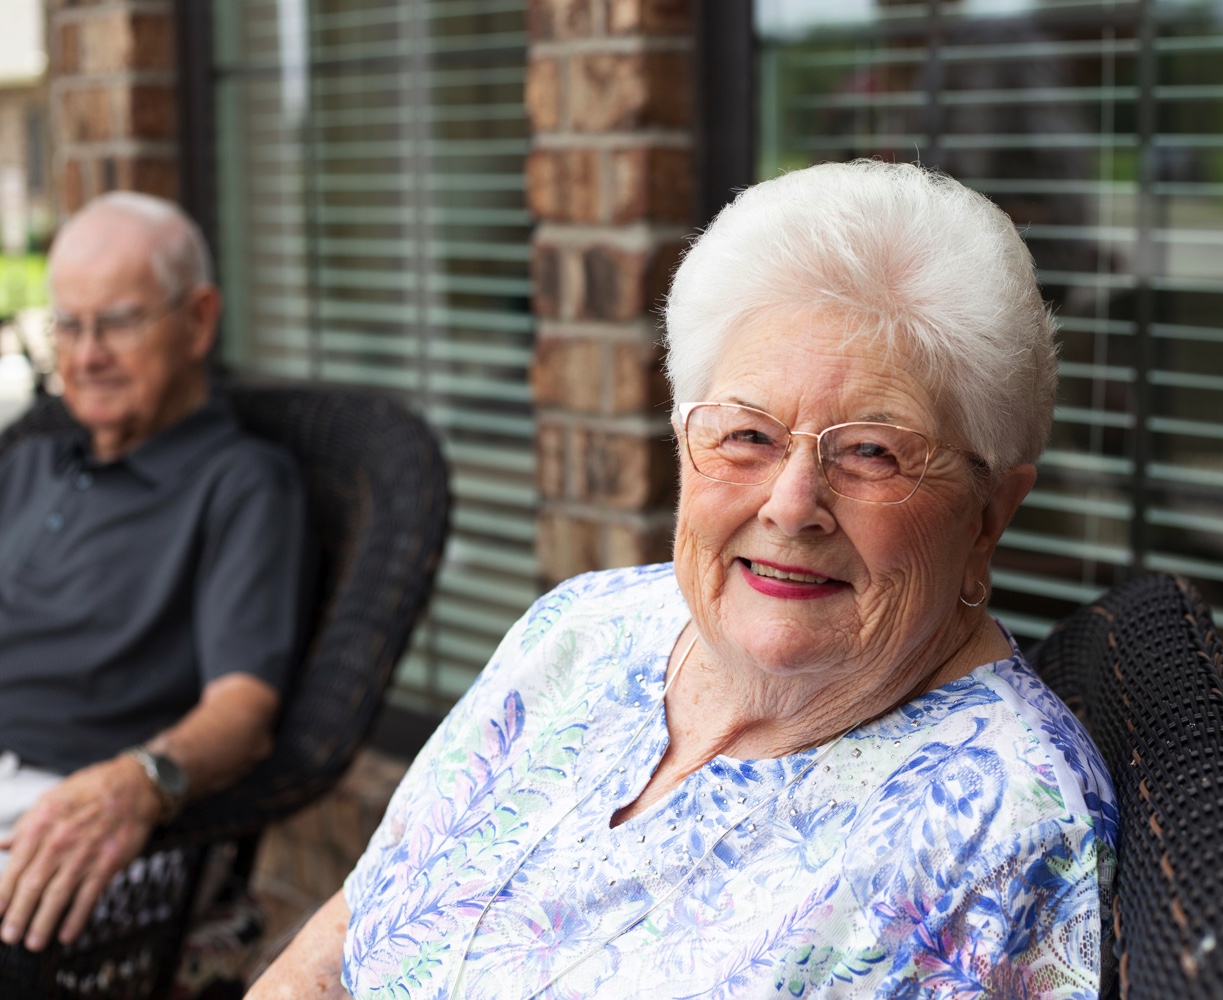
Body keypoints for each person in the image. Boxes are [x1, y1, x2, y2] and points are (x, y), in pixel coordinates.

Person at [254, 160, 1117, 999]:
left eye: (872, 451)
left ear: (990, 515)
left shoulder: (1000, 830)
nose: (791, 504)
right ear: (684, 442)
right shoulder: (583, 628)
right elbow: (354, 922)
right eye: (747, 434)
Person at [0, 192, 308, 954]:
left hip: (60, 804)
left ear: (199, 319)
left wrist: (140, 781)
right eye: (68, 325)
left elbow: (243, 711)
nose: (86, 355)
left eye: (119, 322)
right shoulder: (32, 460)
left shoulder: (240, 483)